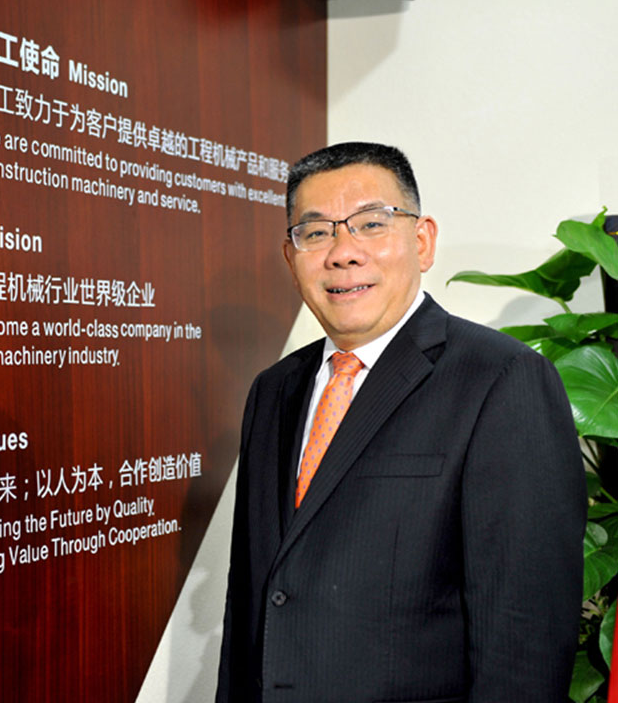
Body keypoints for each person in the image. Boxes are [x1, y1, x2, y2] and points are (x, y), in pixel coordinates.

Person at [216, 142, 586, 702]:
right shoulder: (273, 390)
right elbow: (250, 597)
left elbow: (524, 636)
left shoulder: (501, 378)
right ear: (291, 259)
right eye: (315, 233)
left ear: (422, 241)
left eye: (371, 224)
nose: (343, 253)